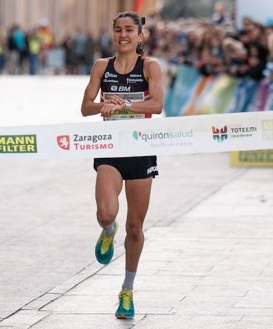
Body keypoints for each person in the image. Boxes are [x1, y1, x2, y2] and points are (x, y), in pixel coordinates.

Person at [80, 11, 164, 319]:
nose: (123, 34)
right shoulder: (102, 67)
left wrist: (125, 105)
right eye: (118, 30)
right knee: (106, 213)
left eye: (129, 29)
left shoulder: (150, 67)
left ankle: (127, 290)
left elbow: (157, 104)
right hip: (110, 149)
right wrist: (104, 105)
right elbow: (85, 107)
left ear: (140, 35)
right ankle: (107, 230)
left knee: (135, 227)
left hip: (140, 150)